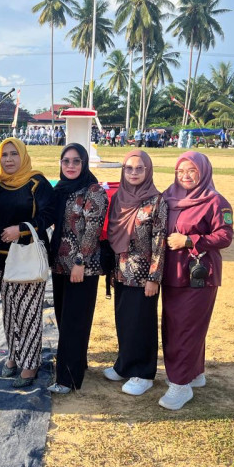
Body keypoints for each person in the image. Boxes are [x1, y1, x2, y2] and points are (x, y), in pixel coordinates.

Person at [160, 151, 233, 410]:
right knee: (174, 325)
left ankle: (180, 385)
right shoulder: (168, 196)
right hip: (171, 272)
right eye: (180, 171)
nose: (186, 176)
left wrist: (190, 240)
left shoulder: (215, 201)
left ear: (203, 172)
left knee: (187, 327)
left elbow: (225, 236)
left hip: (198, 275)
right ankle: (194, 372)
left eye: (192, 170)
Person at [0, 138, 54, 388]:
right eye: (4, 154)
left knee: (28, 312)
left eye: (14, 154)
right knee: (10, 311)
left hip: (28, 258)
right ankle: (14, 355)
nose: (9, 159)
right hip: (2, 257)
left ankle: (30, 362)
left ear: (23, 155)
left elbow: (49, 215)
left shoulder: (36, 183)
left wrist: (22, 229)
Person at [103, 150, 168, 396]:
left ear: (148, 170)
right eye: (129, 168)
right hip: (121, 271)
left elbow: (159, 242)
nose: (133, 173)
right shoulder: (119, 198)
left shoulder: (157, 201)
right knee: (125, 321)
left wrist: (154, 278)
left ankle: (144, 373)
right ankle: (125, 365)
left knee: (142, 323)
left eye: (139, 168)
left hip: (144, 276)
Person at [47, 144, 108, 394]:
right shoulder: (61, 190)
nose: (70, 166)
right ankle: (77, 363)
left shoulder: (93, 191)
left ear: (84, 163)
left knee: (75, 321)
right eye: (66, 161)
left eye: (76, 161)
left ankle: (67, 379)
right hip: (60, 265)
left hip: (82, 268)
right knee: (64, 318)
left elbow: (92, 231)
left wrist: (80, 262)